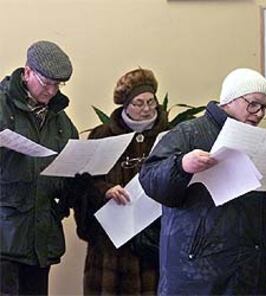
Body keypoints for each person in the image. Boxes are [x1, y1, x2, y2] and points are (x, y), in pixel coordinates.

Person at [139, 68, 266, 295]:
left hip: (249, 273)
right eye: (253, 104)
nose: (259, 113)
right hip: (198, 274)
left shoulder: (259, 143)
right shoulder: (189, 133)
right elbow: (150, 179)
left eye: (264, 107)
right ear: (231, 99)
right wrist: (181, 165)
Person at [72, 68, 168, 295]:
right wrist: (104, 191)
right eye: (138, 103)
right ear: (125, 105)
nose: (146, 109)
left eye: (151, 102)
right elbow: (83, 183)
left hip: (153, 240)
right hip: (110, 246)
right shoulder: (103, 135)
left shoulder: (169, 135)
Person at [0, 40, 78, 295]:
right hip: (4, 234)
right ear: (28, 71)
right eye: (47, 83)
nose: (52, 91)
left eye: (58, 85)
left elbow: (71, 173)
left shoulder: (61, 122)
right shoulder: (2, 107)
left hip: (40, 236)